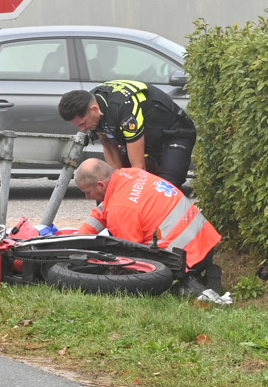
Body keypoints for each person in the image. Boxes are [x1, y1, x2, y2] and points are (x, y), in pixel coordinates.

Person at [72, 157, 223, 294]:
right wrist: (78, 239)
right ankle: (205, 274)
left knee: (124, 274)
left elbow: (129, 254)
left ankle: (189, 281)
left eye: (87, 192)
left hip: (186, 258)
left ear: (100, 185)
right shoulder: (129, 175)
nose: (87, 197)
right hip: (205, 243)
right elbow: (102, 210)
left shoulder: (121, 208)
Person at [58, 79, 197, 187]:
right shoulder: (92, 108)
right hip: (147, 137)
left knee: (165, 186)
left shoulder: (123, 109)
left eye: (82, 123)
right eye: (77, 126)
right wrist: (117, 182)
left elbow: (138, 168)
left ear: (94, 109)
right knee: (113, 185)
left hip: (174, 133)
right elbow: (107, 142)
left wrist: (132, 190)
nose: (82, 129)